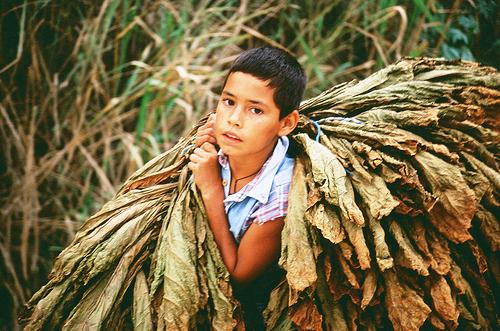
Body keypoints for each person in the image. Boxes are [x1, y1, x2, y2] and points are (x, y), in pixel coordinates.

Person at [187, 46, 306, 329]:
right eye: (228, 102)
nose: (235, 119)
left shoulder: (278, 199)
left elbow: (239, 277)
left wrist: (212, 189)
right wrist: (202, 142)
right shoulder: (224, 139)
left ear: (286, 123)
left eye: (255, 110)